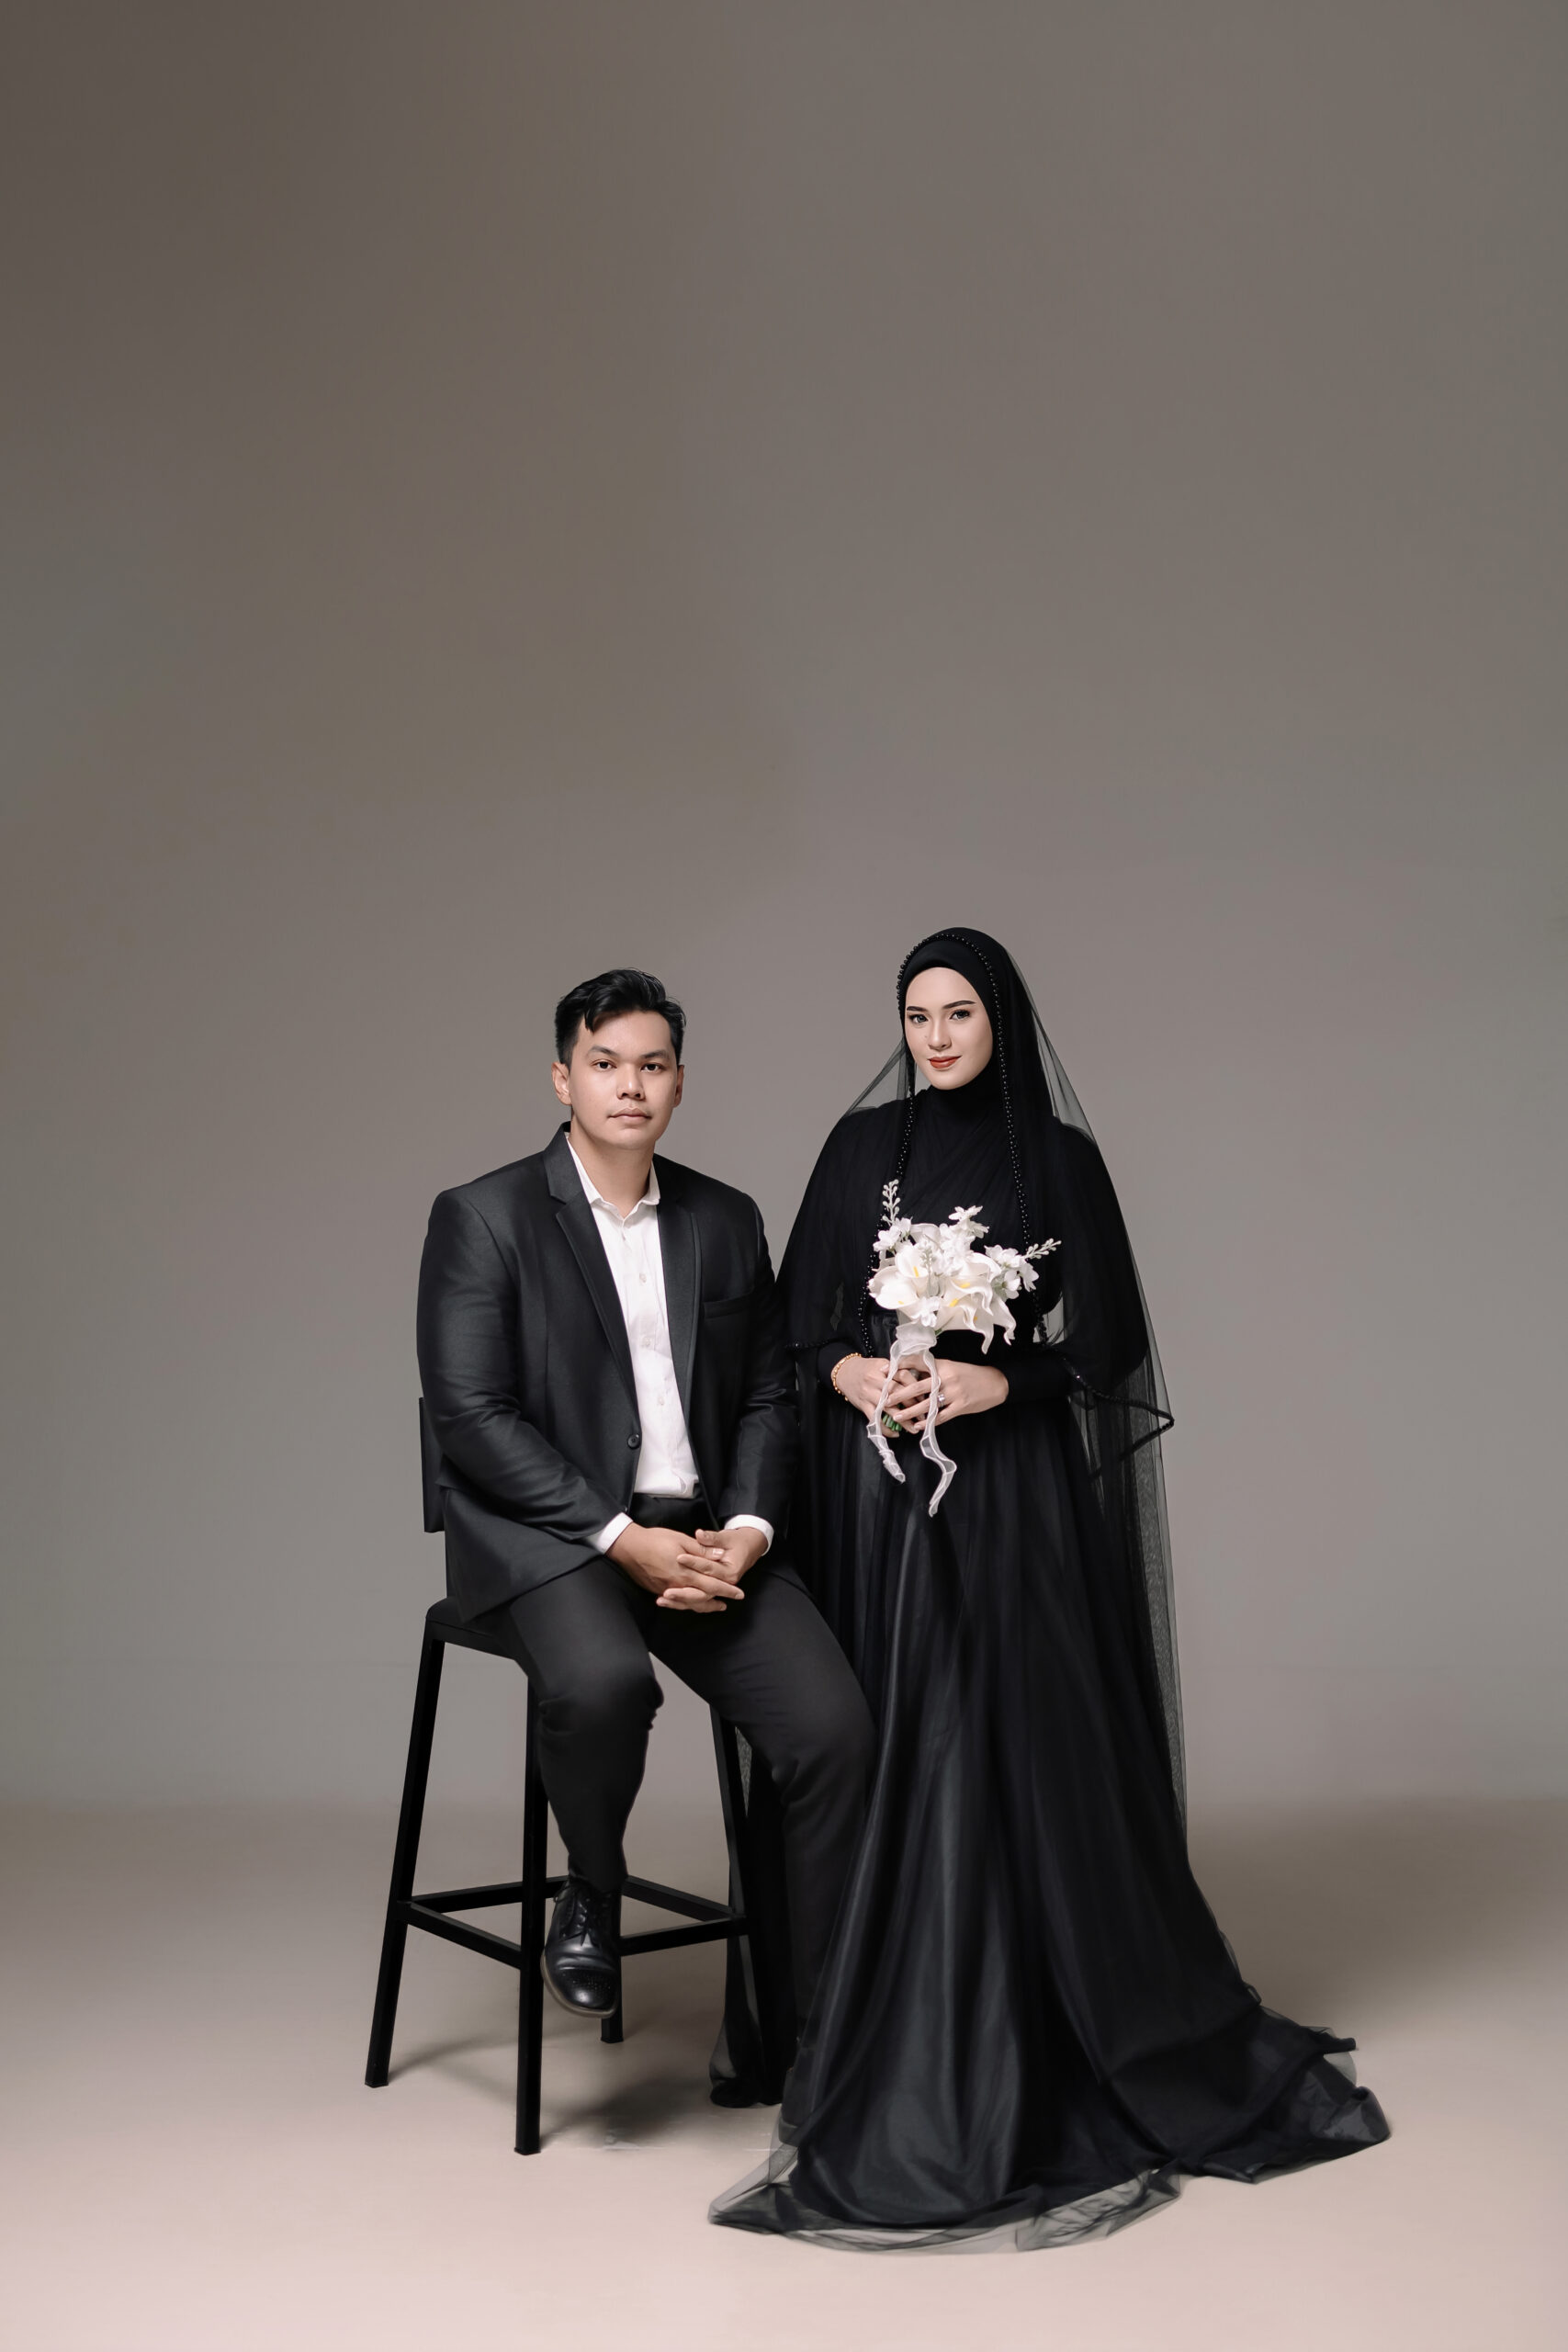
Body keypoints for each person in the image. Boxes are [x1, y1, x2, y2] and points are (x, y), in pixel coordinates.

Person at [712, 927, 1388, 2246]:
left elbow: (1113, 1340)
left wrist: (994, 1381)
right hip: (872, 1493)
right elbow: (798, 1321)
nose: (935, 1037)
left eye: (958, 1013)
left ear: (1001, 1019)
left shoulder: (1059, 1160)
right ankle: (860, 2010)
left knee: (998, 1733)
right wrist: (855, 1372)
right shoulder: (859, 1149)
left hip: (1007, 1489)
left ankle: (1011, 2015)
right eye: (916, 1015)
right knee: (885, 1732)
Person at [416, 967, 873, 2095]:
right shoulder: (484, 1216)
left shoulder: (725, 1217)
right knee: (608, 1684)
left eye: (652, 1065)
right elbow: (472, 1416)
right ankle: (592, 1884)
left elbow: (768, 1393)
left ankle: (817, 2033)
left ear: (679, 1083)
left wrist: (750, 1530)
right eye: (606, 1063)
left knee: (834, 1732)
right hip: (553, 1537)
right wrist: (618, 1533)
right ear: (562, 1077)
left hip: (707, 1536)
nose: (630, 1085)